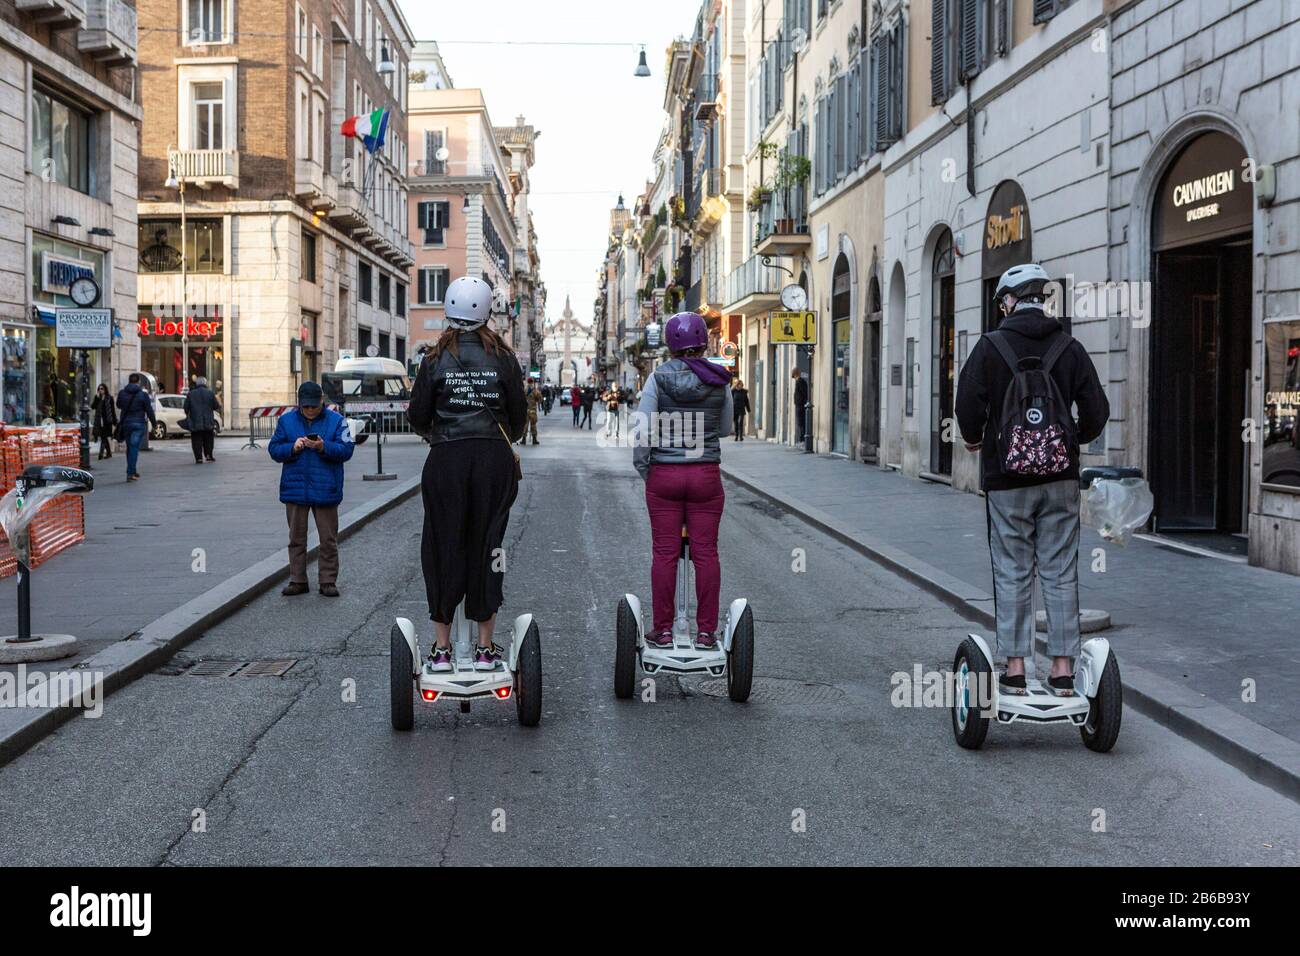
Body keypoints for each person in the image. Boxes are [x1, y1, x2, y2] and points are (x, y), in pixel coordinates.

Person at [956, 262, 1110, 698]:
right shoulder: (1070, 347)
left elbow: (966, 404)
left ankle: (1016, 669)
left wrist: (974, 439)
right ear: (1041, 300)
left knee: (1012, 570)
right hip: (1060, 481)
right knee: (1060, 571)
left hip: (1007, 482)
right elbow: (1097, 411)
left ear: (1007, 301)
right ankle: (1063, 670)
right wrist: (1070, 442)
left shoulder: (990, 347)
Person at [408, 275, 527, 672]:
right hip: (493, 460)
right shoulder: (504, 358)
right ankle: (483, 646)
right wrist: (500, 438)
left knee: (442, 546)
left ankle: (441, 650)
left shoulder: (433, 359)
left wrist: (439, 435)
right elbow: (519, 417)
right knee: (488, 547)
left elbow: (417, 416)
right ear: (488, 312)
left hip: (446, 461)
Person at [633, 312, 734, 650]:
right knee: (706, 553)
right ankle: (706, 633)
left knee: (664, 552)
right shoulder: (720, 378)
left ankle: (662, 630)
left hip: (665, 474)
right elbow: (726, 429)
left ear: (670, 343)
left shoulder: (657, 379)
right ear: (704, 341)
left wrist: (648, 471)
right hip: (705, 474)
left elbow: (643, 432)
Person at [268, 381, 356, 597]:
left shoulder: (336, 421)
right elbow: (274, 449)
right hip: (295, 489)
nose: (309, 411)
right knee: (296, 538)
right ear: (299, 404)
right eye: (305, 407)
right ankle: (298, 580)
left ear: (321, 402)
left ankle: (327, 581)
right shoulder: (287, 420)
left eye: (313, 407)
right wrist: (292, 447)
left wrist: (323, 446)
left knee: (328, 539)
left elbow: (346, 450)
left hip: (326, 487)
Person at [115, 373, 156, 482]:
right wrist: (154, 424)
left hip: (126, 423)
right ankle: (130, 472)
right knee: (134, 448)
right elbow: (149, 410)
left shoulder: (122, 393)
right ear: (138, 382)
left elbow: (118, 405)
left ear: (129, 381)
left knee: (130, 447)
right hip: (138, 423)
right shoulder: (143, 395)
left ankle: (132, 470)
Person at [184, 375, 221, 464]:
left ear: (196, 383)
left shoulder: (191, 394)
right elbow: (216, 406)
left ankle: (199, 458)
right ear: (205, 383)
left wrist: (189, 414)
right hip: (208, 421)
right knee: (208, 439)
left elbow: (186, 408)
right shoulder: (210, 393)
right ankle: (208, 455)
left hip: (195, 421)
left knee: (196, 440)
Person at [91, 383, 116, 460]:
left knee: (104, 436)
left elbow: (112, 410)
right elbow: (93, 407)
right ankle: (109, 453)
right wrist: (97, 399)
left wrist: (114, 421)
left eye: (102, 389)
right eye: (99, 389)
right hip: (99, 421)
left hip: (107, 421)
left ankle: (100, 454)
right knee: (103, 437)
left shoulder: (110, 398)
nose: (100, 390)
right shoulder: (97, 397)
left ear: (105, 389)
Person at [792, 367, 808, 443]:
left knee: (801, 422)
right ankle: (802, 438)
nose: (794, 378)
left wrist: (800, 401)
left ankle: (803, 439)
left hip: (801, 405)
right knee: (800, 422)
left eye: (794, 376)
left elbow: (804, 393)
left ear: (796, 374)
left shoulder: (800, 382)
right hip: (799, 405)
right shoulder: (798, 381)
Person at [525, 380, 543, 445]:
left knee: (525, 425)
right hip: (533, 410)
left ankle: (523, 440)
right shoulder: (535, 391)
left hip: (525, 410)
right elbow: (540, 399)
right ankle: (534, 440)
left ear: (527, 382)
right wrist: (537, 401)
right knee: (533, 425)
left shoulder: (524, 389)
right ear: (532, 383)